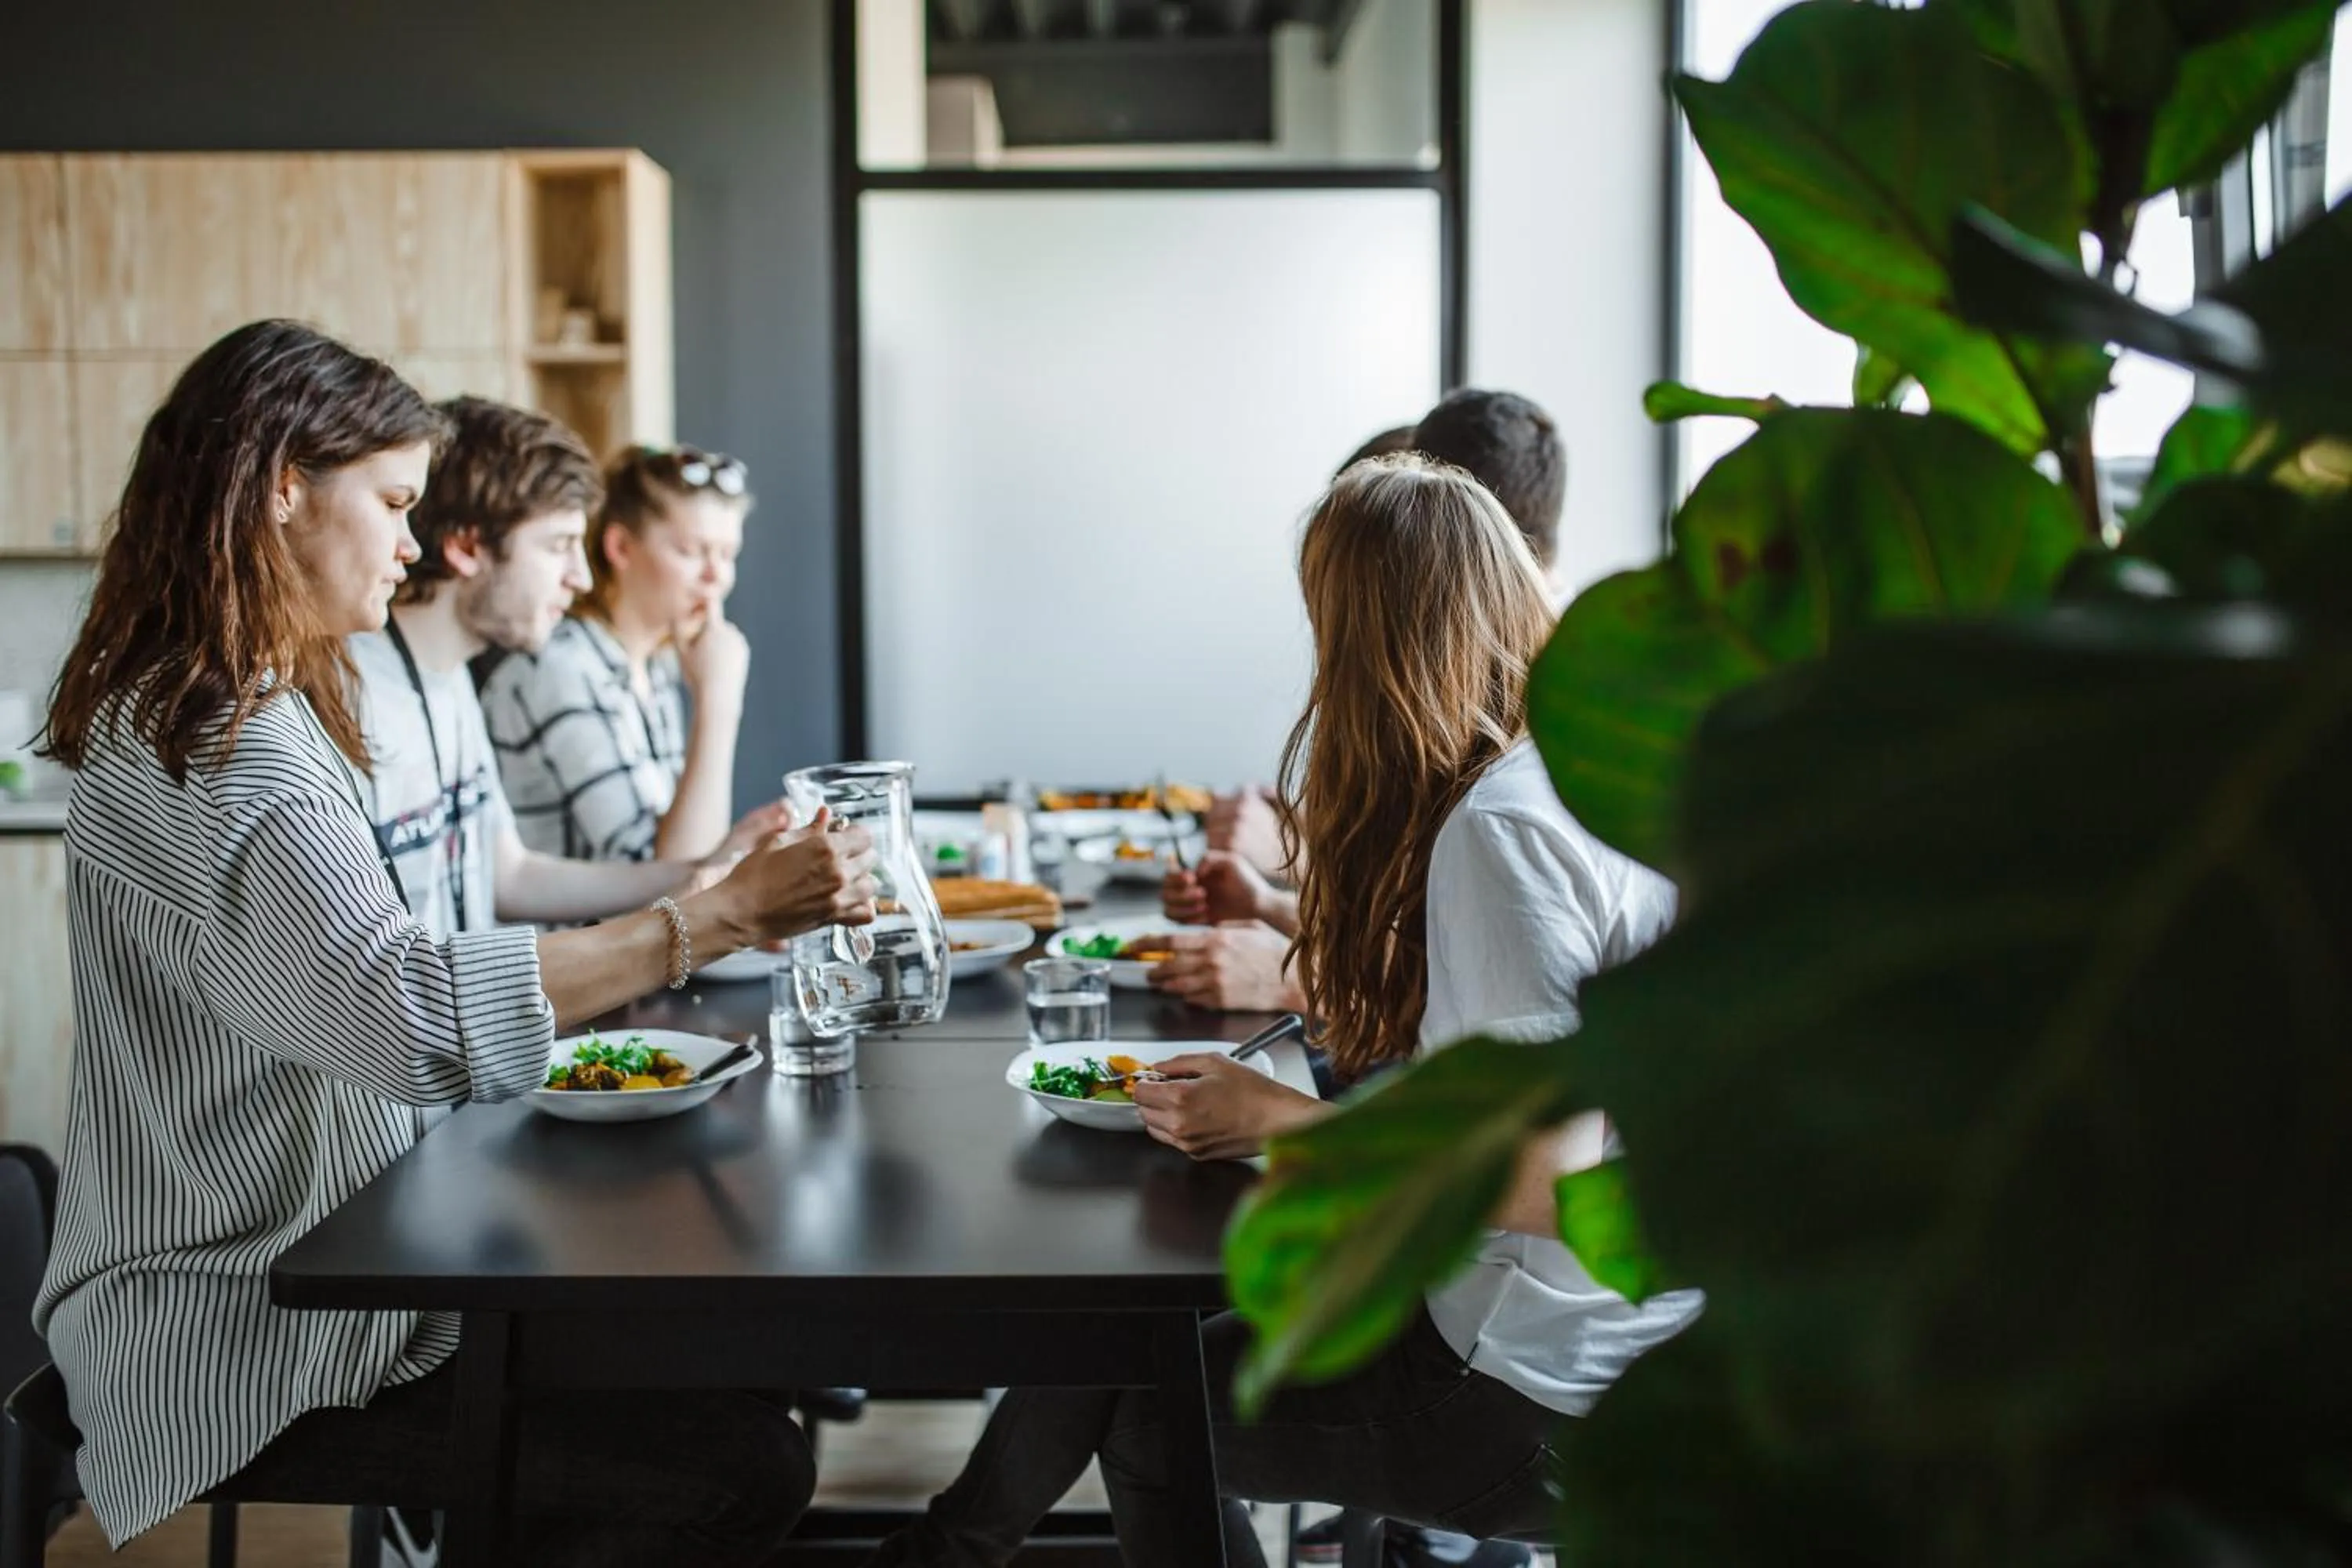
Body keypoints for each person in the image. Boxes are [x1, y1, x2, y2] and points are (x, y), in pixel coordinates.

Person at [34, 320, 877, 1566]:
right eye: (390, 502)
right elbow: (409, 1019)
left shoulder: (243, 707)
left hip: (351, 1252)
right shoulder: (221, 746)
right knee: (737, 1461)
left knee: (734, 1379)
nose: (415, 545)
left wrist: (703, 905)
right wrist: (717, 918)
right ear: (280, 491)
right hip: (241, 1322)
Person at [866, 455, 1703, 1568]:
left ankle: (946, 1548)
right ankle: (946, 1549)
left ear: (1373, 648)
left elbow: (1550, 1183)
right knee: (1140, 1342)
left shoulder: (1502, 832)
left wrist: (1279, 1122)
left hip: (1536, 1389)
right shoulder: (1578, 774)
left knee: (1156, 1408)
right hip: (1645, 1350)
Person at [1174, 391, 1573, 1012]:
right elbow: (1446, 955)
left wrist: (1275, 1088)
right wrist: (1275, 896)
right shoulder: (1502, 722)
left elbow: (1521, 1084)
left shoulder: (1507, 810)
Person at [354, 397, 783, 939]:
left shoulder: (449, 674)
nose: (581, 578)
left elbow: (509, 876)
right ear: (467, 547)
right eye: (559, 546)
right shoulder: (355, 694)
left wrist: (717, 867)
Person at [479, 442, 760, 865]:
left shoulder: (654, 666)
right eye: (691, 551)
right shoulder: (562, 669)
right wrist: (718, 700)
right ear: (621, 548)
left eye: (727, 554)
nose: (715, 577)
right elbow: (669, 879)